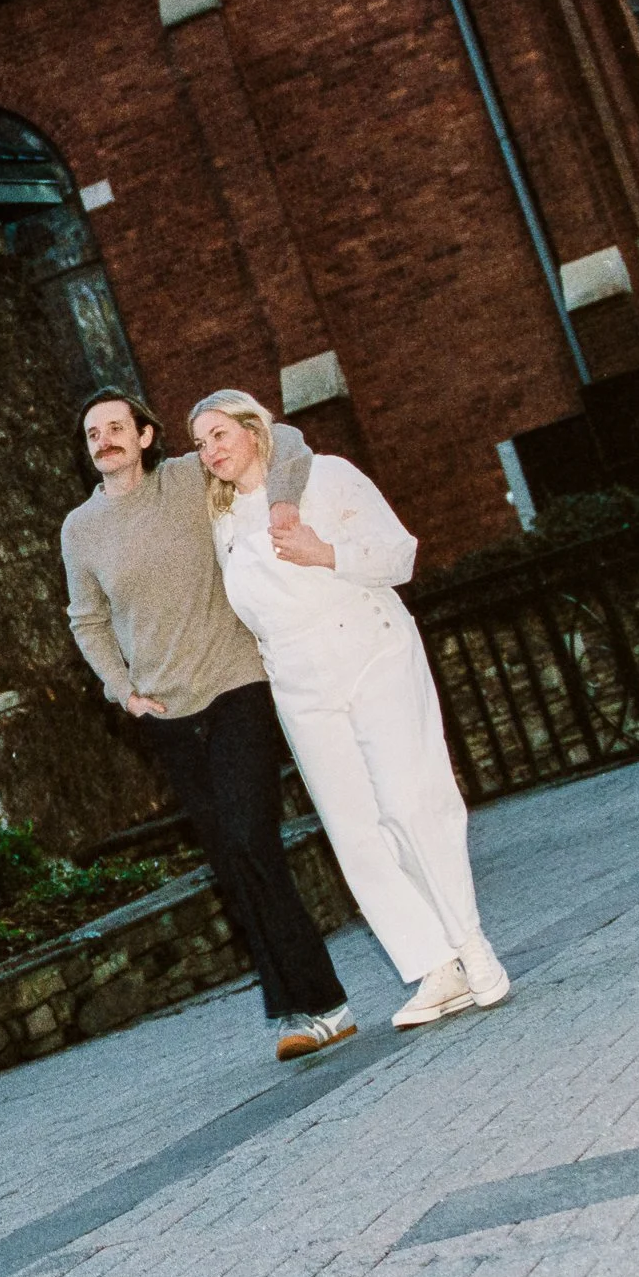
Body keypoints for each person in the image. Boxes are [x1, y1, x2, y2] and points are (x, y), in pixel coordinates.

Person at [186, 389, 509, 1030]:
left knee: (409, 798)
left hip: (369, 648)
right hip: (299, 682)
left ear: (255, 429)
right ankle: (431, 966)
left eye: (220, 434)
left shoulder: (326, 475)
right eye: (200, 444)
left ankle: (471, 944)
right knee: (353, 828)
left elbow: (401, 555)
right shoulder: (222, 522)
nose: (210, 452)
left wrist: (325, 553)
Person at [61, 388, 356, 1062]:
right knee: (229, 858)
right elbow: (86, 619)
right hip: (167, 714)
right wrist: (123, 689)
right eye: (91, 433)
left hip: (235, 685)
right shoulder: (80, 529)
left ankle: (321, 1000)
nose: (103, 439)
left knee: (253, 837)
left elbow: (285, 440)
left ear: (144, 435)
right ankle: (300, 1008)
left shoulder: (190, 478)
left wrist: (282, 504)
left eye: (115, 427)